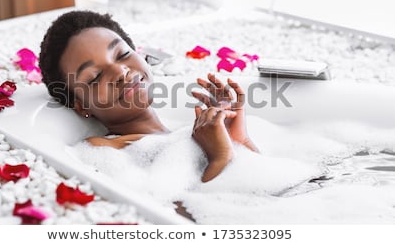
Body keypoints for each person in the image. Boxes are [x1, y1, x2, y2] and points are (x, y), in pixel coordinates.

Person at [39, 11, 259, 183]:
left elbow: (264, 189)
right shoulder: (104, 151)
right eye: (95, 77)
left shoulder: (189, 132)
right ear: (81, 106)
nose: (120, 72)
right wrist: (220, 157)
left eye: (123, 55)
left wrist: (238, 139)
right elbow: (180, 214)